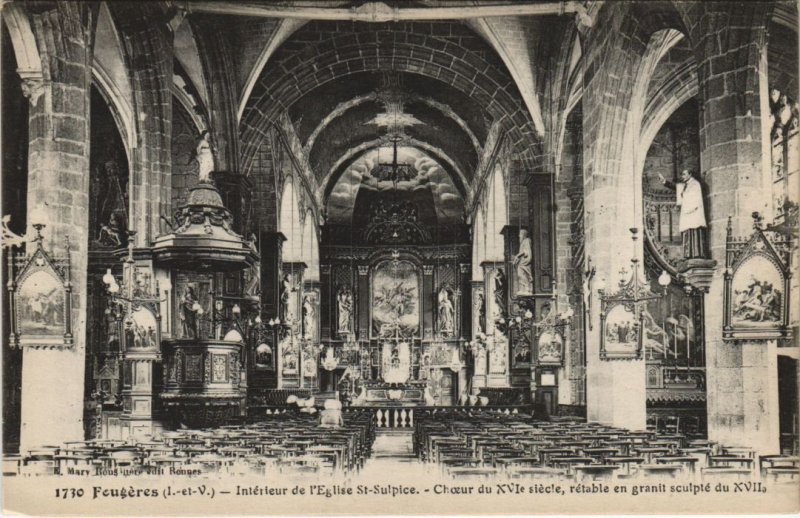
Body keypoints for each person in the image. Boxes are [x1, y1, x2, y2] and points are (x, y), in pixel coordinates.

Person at [658, 169, 707, 259]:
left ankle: (696, 254)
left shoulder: (695, 184)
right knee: (687, 231)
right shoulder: (686, 185)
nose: (682, 176)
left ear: (690, 174)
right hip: (688, 213)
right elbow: (676, 188)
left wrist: (683, 195)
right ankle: (689, 254)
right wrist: (664, 181)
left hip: (694, 213)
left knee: (694, 230)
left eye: (684, 174)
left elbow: (693, 197)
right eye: (682, 174)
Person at [513, 228, 533, 295]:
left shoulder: (526, 240)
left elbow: (526, 252)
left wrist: (517, 256)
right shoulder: (523, 242)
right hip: (522, 261)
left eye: (520, 234)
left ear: (524, 234)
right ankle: (524, 288)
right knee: (520, 274)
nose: (519, 236)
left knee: (521, 273)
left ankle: (527, 288)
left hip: (525, 261)